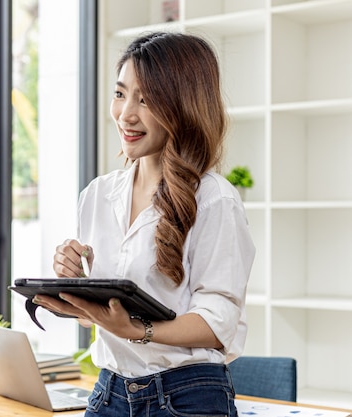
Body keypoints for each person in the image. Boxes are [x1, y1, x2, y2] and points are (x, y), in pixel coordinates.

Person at [32, 32, 256, 417]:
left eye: (146, 99)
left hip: (186, 397)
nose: (126, 114)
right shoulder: (98, 194)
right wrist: (75, 283)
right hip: (110, 392)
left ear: (182, 107)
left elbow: (218, 322)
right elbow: (109, 312)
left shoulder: (215, 199)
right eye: (121, 94)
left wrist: (136, 329)